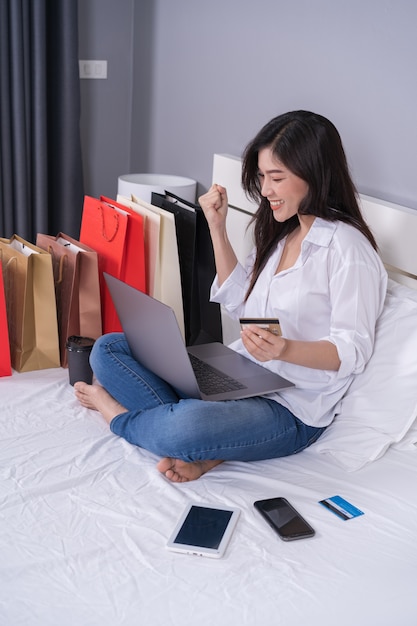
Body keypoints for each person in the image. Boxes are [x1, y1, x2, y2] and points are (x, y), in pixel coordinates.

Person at [75, 110, 387, 483]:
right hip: (240, 372)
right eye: (261, 177)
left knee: (184, 428)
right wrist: (217, 228)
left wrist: (284, 349)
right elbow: (240, 301)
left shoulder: (348, 249)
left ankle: (118, 414)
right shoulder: (282, 233)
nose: (266, 190)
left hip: (292, 408)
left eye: (276, 178)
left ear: (315, 174)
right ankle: (213, 442)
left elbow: (352, 351)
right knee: (108, 349)